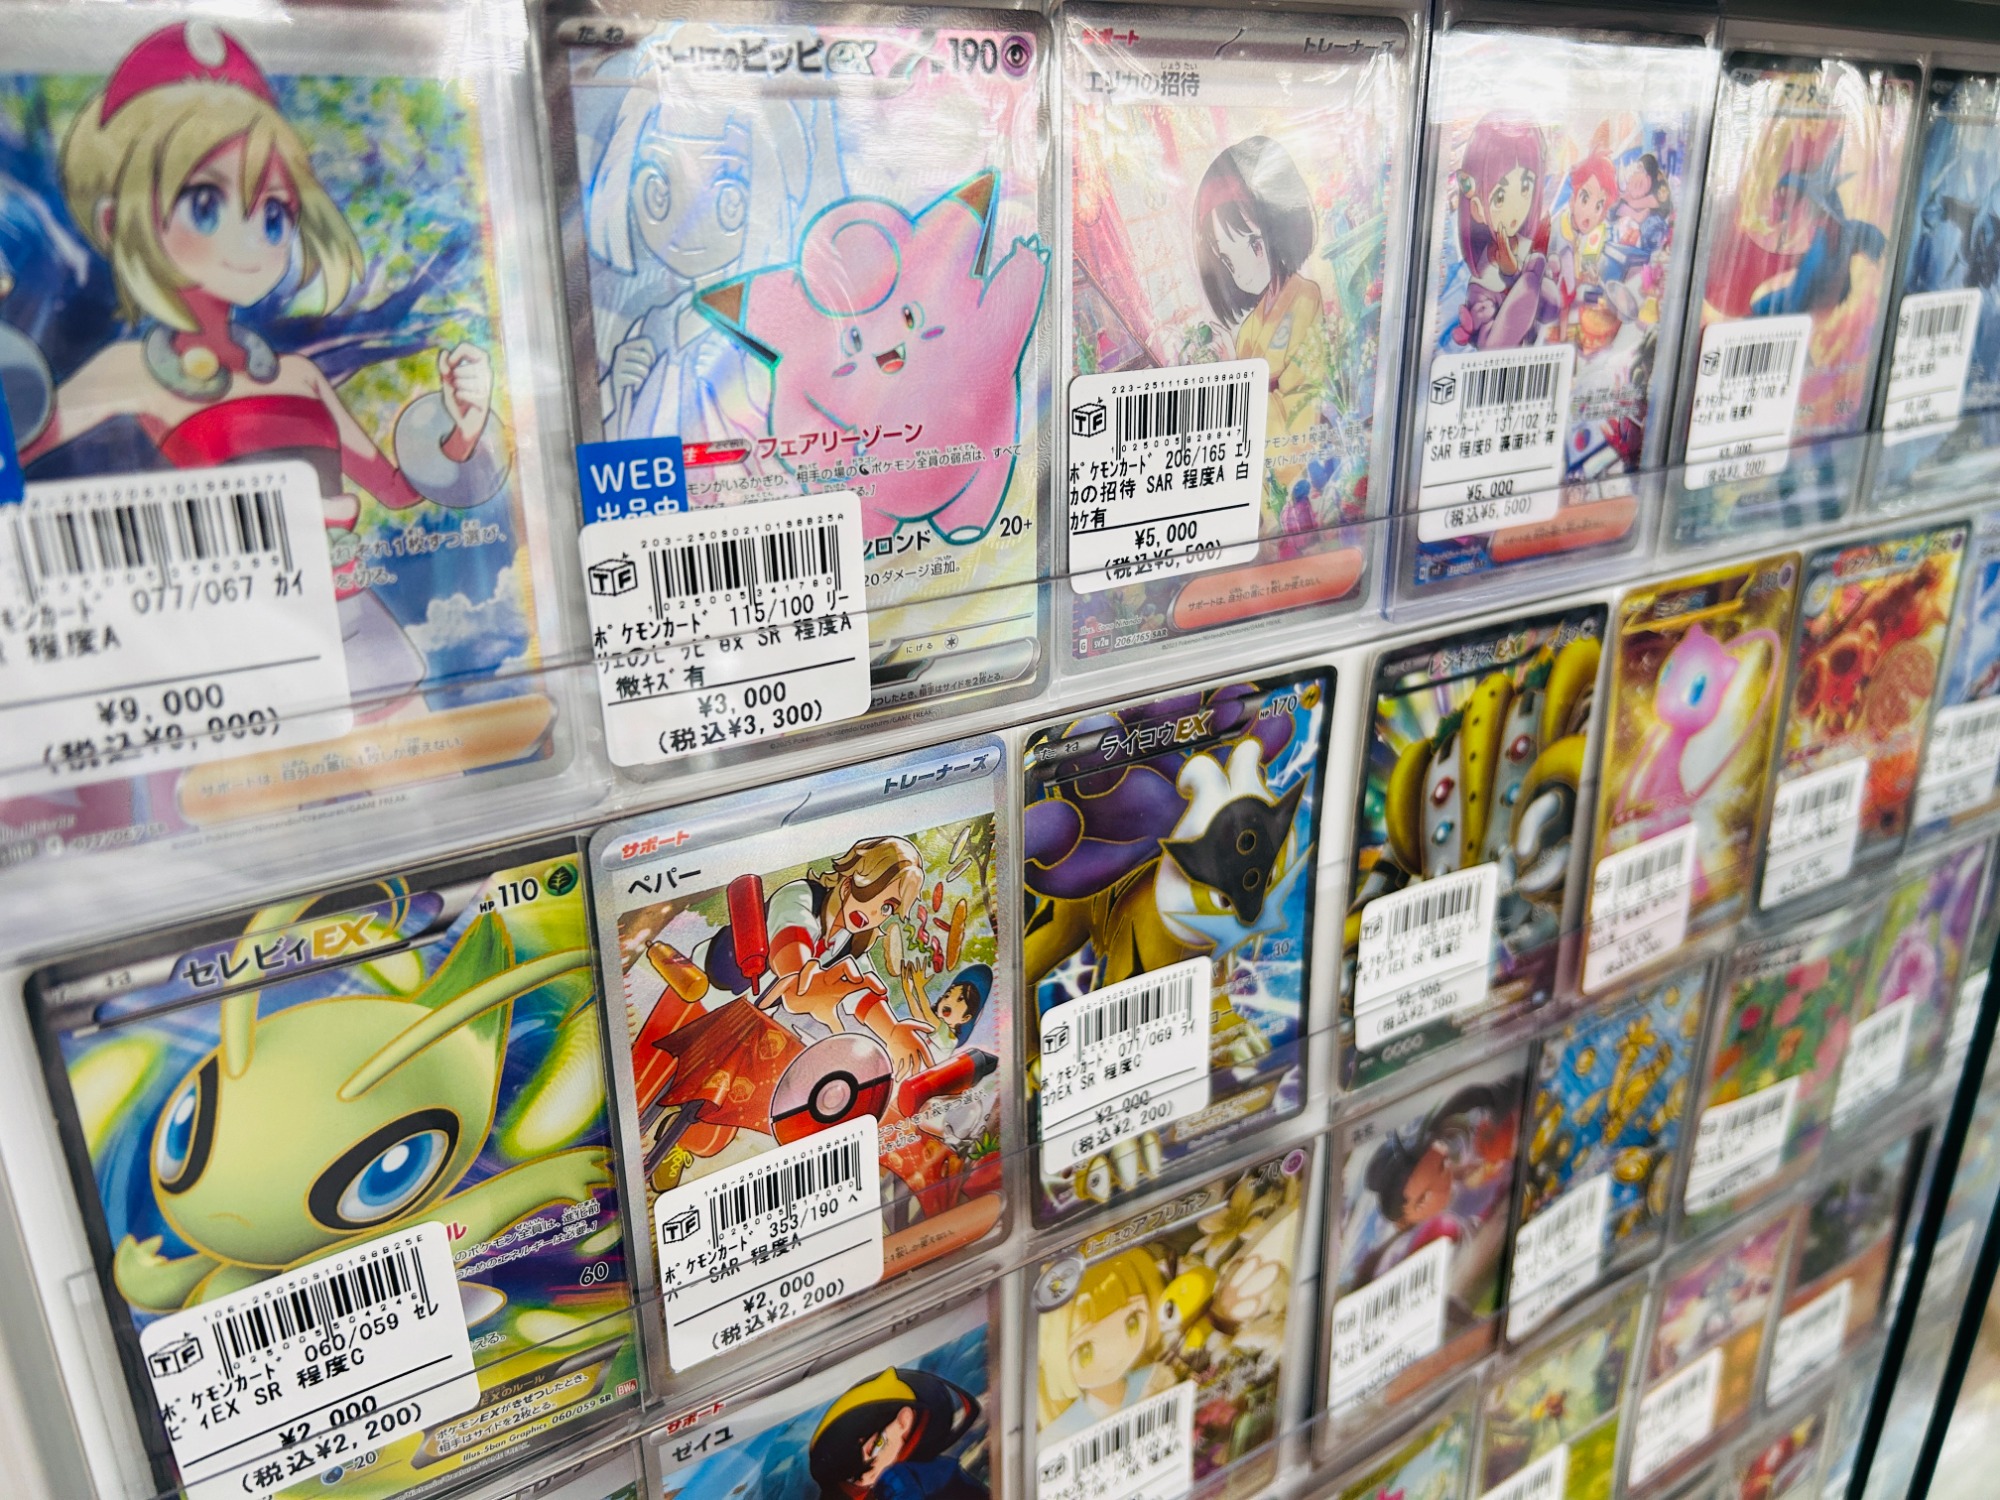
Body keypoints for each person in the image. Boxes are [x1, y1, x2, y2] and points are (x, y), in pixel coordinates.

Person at [17, 22, 509, 714]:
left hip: (356, 621)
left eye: (274, 214)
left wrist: (463, 428)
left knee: (424, 761)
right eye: (206, 204)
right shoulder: (127, 372)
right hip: (240, 644)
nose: (251, 240)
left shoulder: (299, 376)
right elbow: (19, 460)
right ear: (113, 222)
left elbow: (396, 491)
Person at [808, 1366, 985, 1500]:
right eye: (851, 1476)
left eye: (876, 1446)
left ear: (904, 1421)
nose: (866, 1476)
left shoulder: (911, 1477)